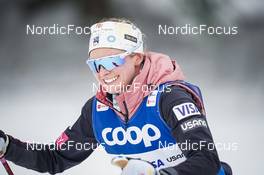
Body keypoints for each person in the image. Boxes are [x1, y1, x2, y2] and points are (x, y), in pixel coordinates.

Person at [0, 18, 232, 175]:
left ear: (137, 58)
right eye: (96, 65)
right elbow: (55, 158)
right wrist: (7, 147)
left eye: (112, 61)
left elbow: (206, 159)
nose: (104, 73)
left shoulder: (170, 97)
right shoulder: (98, 110)